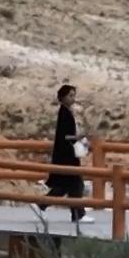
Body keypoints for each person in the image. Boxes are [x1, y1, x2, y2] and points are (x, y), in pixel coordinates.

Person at [47, 84, 89, 231]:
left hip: (67, 154)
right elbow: (64, 136)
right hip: (67, 154)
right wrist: (78, 137)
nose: (73, 98)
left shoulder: (67, 112)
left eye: (73, 95)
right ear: (63, 97)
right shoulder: (64, 113)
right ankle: (78, 214)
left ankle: (42, 204)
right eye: (70, 95)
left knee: (67, 186)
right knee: (75, 184)